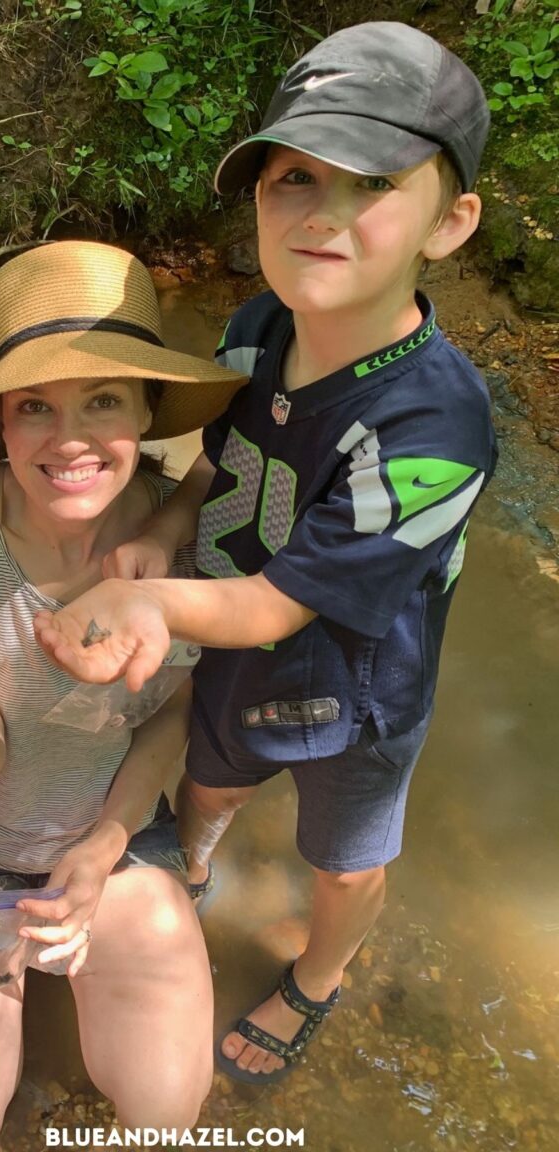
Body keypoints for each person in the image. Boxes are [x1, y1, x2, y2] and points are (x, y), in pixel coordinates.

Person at [33, 23, 499, 1085]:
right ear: (255, 200)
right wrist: (158, 533)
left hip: (361, 684)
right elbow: (213, 470)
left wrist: (138, 604)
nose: (323, 215)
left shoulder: (435, 426)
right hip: (233, 646)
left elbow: (283, 607)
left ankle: (317, 979)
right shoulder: (253, 328)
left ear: (451, 221)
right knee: (206, 781)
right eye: (294, 178)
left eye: (373, 182)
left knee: (344, 859)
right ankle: (192, 870)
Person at [0, 240, 247, 1147]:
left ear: (150, 412)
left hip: (114, 833)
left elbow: (175, 711)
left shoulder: (185, 538)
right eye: (36, 407)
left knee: (163, 1116)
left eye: (103, 400)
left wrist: (108, 845)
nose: (69, 440)